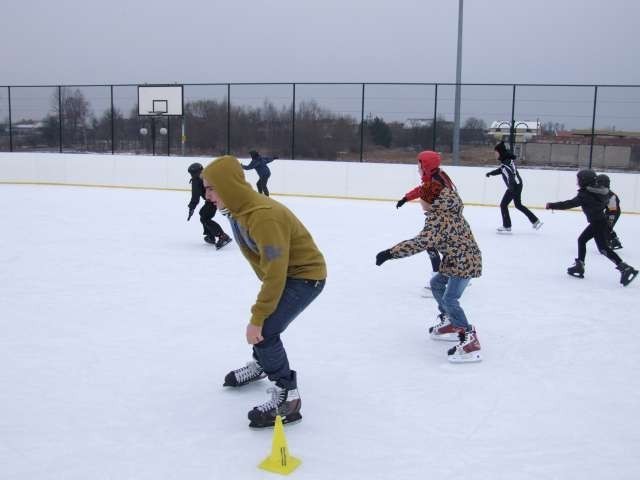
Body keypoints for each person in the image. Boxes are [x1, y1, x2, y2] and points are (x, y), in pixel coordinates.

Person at [202, 155, 326, 428]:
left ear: (227, 186)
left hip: (305, 278)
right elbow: (271, 267)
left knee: (265, 331)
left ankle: (288, 397)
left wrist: (258, 317)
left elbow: (276, 271)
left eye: (211, 188)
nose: (206, 195)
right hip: (286, 275)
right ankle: (262, 364)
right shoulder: (237, 211)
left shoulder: (262, 217)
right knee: (262, 331)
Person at [378, 180, 483, 363]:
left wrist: (390, 253)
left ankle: (469, 338)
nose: (420, 202)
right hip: (457, 259)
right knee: (436, 284)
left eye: (421, 199)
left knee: (450, 299)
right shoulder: (446, 210)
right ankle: (451, 322)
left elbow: (419, 243)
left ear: (430, 201)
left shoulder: (439, 220)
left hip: (464, 262)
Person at [546, 169, 637, 286]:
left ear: (584, 181)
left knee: (603, 249)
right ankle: (580, 266)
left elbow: (569, 204)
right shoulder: (601, 191)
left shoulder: (585, 195)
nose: (577, 182)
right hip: (599, 221)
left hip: (597, 223)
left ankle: (625, 268)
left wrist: (552, 205)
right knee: (583, 240)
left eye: (578, 180)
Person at [395, 151, 456, 292]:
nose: (418, 168)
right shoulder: (436, 176)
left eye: (419, 164)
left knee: (430, 244)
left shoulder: (436, 181)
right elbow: (422, 190)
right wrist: (406, 198)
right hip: (444, 219)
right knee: (444, 246)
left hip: (443, 219)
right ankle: (455, 275)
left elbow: (428, 192)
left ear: (426, 166)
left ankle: (439, 278)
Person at [486, 141, 542, 233]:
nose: (494, 154)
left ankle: (507, 226)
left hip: (514, 186)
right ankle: (535, 221)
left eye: (495, 152)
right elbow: (502, 170)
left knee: (503, 205)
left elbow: (510, 175)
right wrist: (491, 173)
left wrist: (511, 188)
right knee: (518, 205)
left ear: (500, 153)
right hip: (518, 184)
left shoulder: (506, 164)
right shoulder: (507, 161)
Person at [187, 162, 232, 249]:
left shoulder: (197, 180)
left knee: (205, 218)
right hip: (216, 198)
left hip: (213, 200)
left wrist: (191, 208)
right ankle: (211, 236)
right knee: (203, 214)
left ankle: (222, 236)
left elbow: (195, 197)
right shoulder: (209, 175)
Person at [596, 174, 623, 250]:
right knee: (605, 227)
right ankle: (614, 241)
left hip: (613, 213)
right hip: (609, 211)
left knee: (605, 227)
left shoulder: (610, 195)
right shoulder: (603, 192)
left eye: (598, 182)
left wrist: (609, 218)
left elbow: (613, 209)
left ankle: (612, 242)